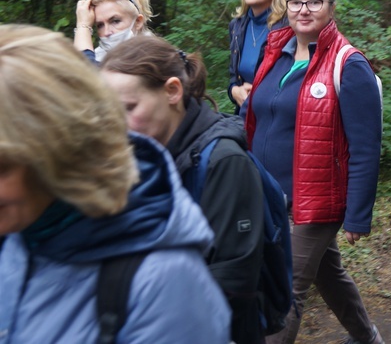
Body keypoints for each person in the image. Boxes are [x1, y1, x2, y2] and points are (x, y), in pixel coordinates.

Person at [0, 24, 230, 343]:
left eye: (2, 166)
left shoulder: (161, 283)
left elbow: (236, 269)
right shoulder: (17, 232)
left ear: (57, 151)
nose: (121, 123)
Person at [244, 0, 383, 344]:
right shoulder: (275, 52)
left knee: (284, 292)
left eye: (314, 2)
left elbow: (366, 146)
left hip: (315, 201)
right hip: (269, 197)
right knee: (328, 274)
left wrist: (357, 213)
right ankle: (368, 338)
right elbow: (255, 116)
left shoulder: (348, 64)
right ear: (286, 6)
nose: (303, 10)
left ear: (331, 8)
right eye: (295, 2)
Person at [101, 36, 265, 344]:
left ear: (172, 91)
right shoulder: (142, 153)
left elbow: (233, 282)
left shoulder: (225, 162)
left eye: (128, 107)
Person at [229, 0, 292, 115]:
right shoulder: (237, 26)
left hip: (278, 119)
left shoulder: (290, 28)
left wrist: (258, 92)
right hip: (245, 117)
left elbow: (296, 82)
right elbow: (233, 77)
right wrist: (234, 90)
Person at [73, 0, 154, 63]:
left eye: (115, 21)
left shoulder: (157, 58)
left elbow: (86, 71)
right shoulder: (98, 56)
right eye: (100, 25)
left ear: (138, 22)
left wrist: (83, 26)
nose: (107, 32)